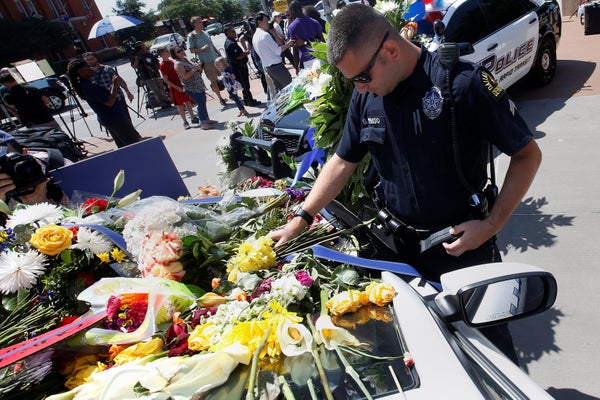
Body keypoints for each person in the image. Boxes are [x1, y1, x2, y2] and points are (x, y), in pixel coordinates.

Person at [269, 4, 542, 364]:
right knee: (423, 352)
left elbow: (528, 155)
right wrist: (301, 218)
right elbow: (342, 160)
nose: (360, 88)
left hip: (464, 248)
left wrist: (493, 224)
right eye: (354, 82)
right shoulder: (366, 97)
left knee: (493, 351)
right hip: (399, 253)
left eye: (362, 78)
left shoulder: (461, 84)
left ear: (391, 51)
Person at [66, 58, 142, 148]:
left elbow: (105, 97)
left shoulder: (87, 84)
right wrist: (115, 86)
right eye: (88, 67)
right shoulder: (88, 86)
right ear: (80, 71)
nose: (91, 69)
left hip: (109, 118)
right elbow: (109, 102)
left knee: (123, 144)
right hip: (113, 118)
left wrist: (113, 86)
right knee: (132, 143)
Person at [0, 130, 68, 210]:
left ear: (25, 153)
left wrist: (40, 200)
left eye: (6, 162)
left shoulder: (57, 166)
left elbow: (82, 214)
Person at [171, 46, 218, 130]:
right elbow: (184, 77)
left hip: (198, 85)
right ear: (174, 54)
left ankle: (206, 119)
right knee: (200, 103)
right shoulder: (178, 64)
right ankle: (203, 123)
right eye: (178, 51)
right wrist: (194, 69)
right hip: (191, 87)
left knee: (203, 101)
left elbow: (193, 69)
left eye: (181, 49)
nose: (181, 51)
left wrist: (197, 68)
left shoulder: (184, 59)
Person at [187, 16, 227, 107]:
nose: (202, 23)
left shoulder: (206, 33)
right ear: (195, 24)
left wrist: (219, 55)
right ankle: (220, 98)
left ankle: (231, 92)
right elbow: (191, 50)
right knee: (213, 81)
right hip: (206, 62)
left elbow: (212, 45)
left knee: (225, 76)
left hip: (216, 59)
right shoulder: (191, 36)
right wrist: (202, 49)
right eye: (199, 22)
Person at [252, 12, 295, 94]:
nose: (268, 22)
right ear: (259, 22)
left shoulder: (255, 36)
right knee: (291, 90)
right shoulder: (264, 35)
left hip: (269, 68)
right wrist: (289, 44)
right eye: (265, 20)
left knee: (281, 93)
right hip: (277, 68)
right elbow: (277, 51)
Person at [157, 47, 199, 130]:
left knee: (187, 101)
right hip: (175, 87)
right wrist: (176, 87)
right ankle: (185, 121)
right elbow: (166, 79)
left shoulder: (172, 61)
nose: (168, 52)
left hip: (182, 84)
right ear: (161, 54)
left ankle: (193, 117)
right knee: (180, 105)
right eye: (166, 51)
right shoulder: (162, 65)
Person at [223, 26, 261, 107]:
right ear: (228, 33)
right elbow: (238, 56)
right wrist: (246, 52)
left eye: (234, 31)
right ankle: (249, 101)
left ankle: (248, 100)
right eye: (232, 32)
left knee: (245, 85)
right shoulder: (231, 44)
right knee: (245, 85)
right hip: (238, 68)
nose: (234, 33)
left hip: (239, 67)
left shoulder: (231, 41)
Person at [131, 42, 172, 109]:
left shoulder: (149, 54)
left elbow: (157, 62)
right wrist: (136, 58)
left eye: (143, 46)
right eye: (141, 47)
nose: (143, 48)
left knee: (162, 89)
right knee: (156, 90)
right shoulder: (137, 57)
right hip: (146, 76)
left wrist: (162, 71)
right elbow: (134, 66)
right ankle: (166, 101)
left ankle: (166, 102)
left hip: (155, 74)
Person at [286, 1, 324, 71]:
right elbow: (323, 41)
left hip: (306, 61)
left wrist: (296, 67)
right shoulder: (314, 22)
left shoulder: (292, 27)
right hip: (319, 57)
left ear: (292, 11)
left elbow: (295, 49)